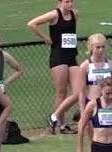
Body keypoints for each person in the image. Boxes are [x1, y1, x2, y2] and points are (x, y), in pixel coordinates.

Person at [28, 0, 80, 134]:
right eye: (67, 1)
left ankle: (54, 117)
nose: (70, 4)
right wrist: (45, 38)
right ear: (60, 2)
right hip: (58, 56)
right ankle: (62, 125)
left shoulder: (75, 14)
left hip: (71, 56)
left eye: (72, 1)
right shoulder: (54, 15)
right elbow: (32, 23)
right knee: (61, 92)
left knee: (78, 92)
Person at [52, 33, 112, 140]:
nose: (100, 50)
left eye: (103, 47)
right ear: (91, 47)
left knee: (107, 136)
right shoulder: (85, 66)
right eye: (97, 47)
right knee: (93, 138)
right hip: (91, 103)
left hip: (107, 104)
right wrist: (83, 112)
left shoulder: (111, 64)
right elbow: (81, 91)